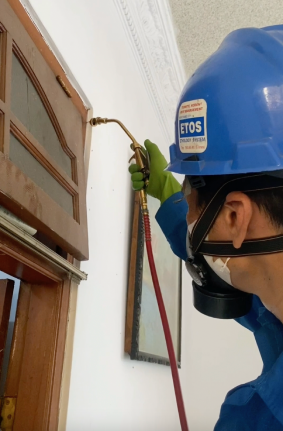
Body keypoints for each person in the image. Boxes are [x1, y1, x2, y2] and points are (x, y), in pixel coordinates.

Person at [129, 25, 283, 430]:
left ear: (235, 215)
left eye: (191, 198)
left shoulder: (261, 418)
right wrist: (173, 199)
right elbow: (218, 245)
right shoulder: (271, 307)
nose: (189, 212)